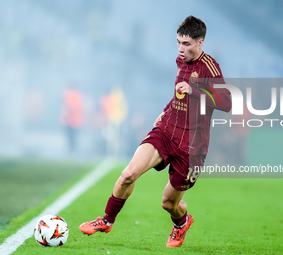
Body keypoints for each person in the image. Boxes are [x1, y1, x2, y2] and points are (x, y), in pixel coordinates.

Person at [79, 15, 232, 247]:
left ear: (200, 43)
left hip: (192, 144)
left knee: (169, 203)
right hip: (167, 129)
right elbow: (177, 93)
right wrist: (166, 110)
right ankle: (106, 220)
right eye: (179, 42)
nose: (181, 48)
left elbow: (226, 102)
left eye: (187, 44)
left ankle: (182, 222)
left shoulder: (209, 67)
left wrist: (194, 90)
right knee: (128, 174)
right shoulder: (181, 60)